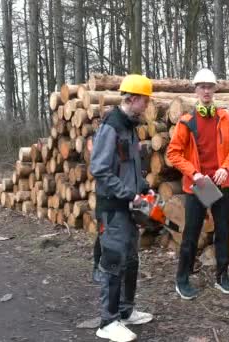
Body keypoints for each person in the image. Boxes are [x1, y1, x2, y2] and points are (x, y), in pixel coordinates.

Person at [90, 74, 155, 342]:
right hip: (114, 209)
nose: (148, 105)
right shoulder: (112, 126)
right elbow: (100, 169)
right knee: (114, 262)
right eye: (145, 100)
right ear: (133, 98)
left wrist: (143, 189)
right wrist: (128, 194)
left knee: (131, 260)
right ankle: (108, 321)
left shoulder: (130, 126)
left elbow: (130, 167)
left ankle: (126, 312)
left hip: (129, 208)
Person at [166, 68, 229, 300]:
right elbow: (173, 153)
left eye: (210, 86)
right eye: (202, 86)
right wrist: (194, 174)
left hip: (221, 184)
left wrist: (225, 167)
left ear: (215, 89)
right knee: (190, 234)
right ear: (196, 90)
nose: (206, 90)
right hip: (198, 186)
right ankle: (182, 279)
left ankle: (222, 276)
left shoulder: (225, 117)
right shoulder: (186, 122)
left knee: (223, 232)